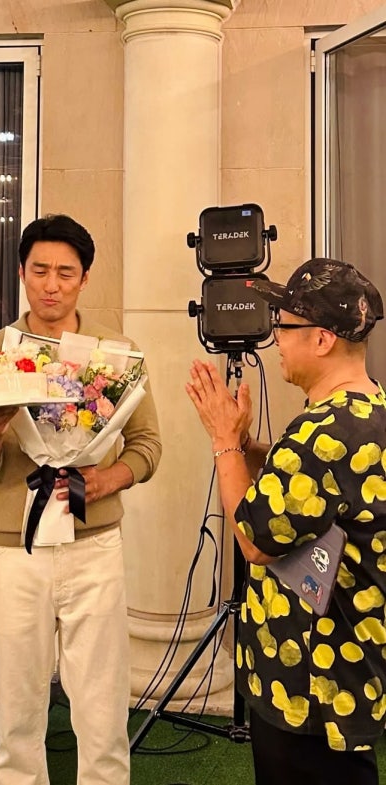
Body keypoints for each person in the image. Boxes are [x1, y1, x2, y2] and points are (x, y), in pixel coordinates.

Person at [0, 214, 162, 785]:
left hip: (93, 543)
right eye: (40, 270)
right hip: (13, 548)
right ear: (22, 273)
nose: (51, 285)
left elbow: (148, 445)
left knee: (102, 701)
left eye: (65, 273)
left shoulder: (116, 354)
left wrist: (106, 479)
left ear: (85, 278)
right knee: (17, 701)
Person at [185, 257, 386, 785]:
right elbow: (305, 492)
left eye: (285, 324)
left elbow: (255, 540)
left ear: (321, 339)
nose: (275, 335)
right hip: (347, 670)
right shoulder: (365, 411)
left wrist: (224, 442)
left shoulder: (322, 433)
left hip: (310, 683)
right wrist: (248, 446)